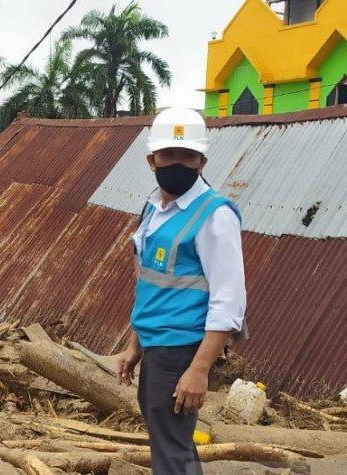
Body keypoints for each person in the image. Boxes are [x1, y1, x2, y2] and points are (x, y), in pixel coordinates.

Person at [117, 107, 246, 475]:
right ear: (151, 160)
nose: (177, 163)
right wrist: (134, 345)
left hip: (181, 351)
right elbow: (151, 284)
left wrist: (199, 369)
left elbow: (230, 301)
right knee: (172, 445)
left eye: (187, 156)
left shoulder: (215, 215)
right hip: (156, 347)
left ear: (202, 161)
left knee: (171, 453)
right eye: (169, 155)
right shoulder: (154, 209)